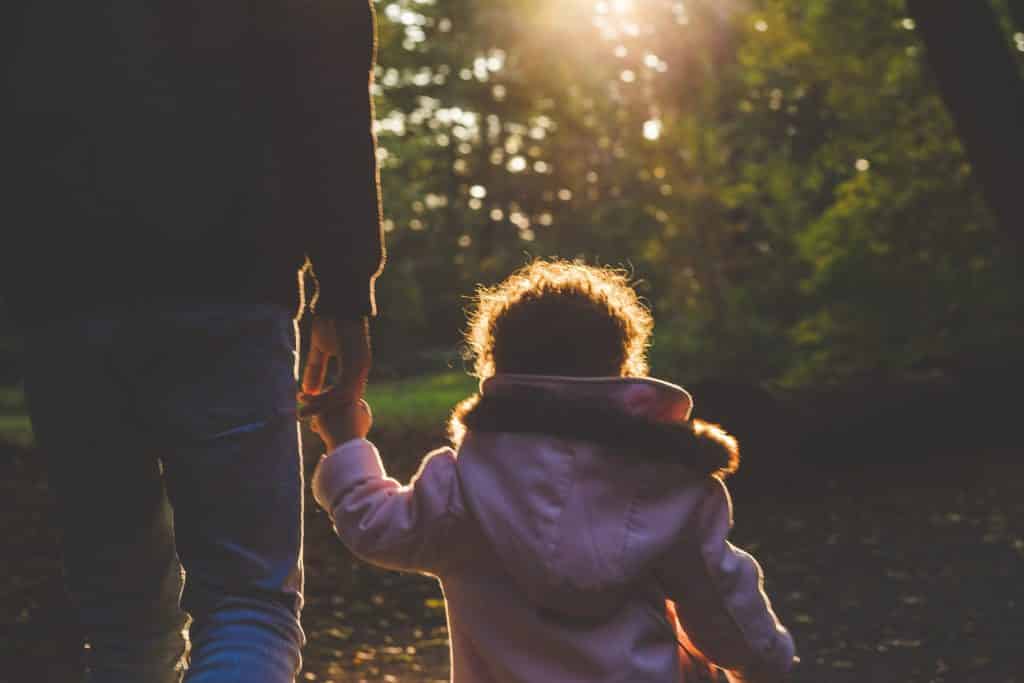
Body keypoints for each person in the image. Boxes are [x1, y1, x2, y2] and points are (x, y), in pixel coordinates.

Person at [1, 1, 384, 681]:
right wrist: (346, 287)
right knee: (248, 604)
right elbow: (328, 85)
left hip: (64, 295)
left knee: (122, 624)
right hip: (229, 280)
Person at [304, 260, 797, 683]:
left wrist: (346, 441)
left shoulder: (461, 488)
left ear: (495, 366)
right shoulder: (666, 484)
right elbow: (719, 601)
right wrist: (763, 665)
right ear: (623, 367)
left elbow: (375, 525)